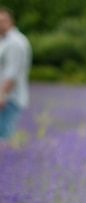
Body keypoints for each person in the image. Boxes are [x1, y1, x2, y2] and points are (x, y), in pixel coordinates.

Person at [0, 7, 31, 145]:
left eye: (3, 21)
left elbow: (12, 73)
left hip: (9, 98)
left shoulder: (16, 43)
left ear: (11, 22)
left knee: (3, 135)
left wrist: (2, 94)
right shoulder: (4, 40)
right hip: (6, 97)